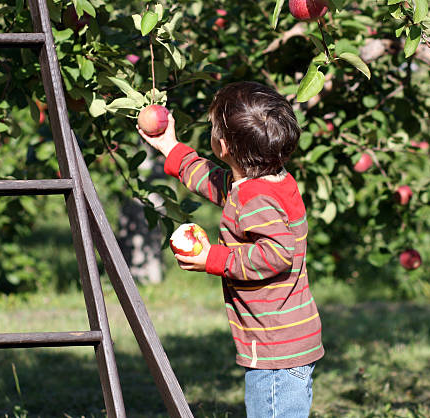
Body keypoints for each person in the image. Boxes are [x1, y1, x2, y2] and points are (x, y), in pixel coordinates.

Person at [137, 81, 324, 417]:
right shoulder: (265, 183)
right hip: (282, 343)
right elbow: (213, 181)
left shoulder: (257, 199)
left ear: (222, 144)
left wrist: (213, 258)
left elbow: (278, 253)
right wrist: (171, 147)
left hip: (276, 352)